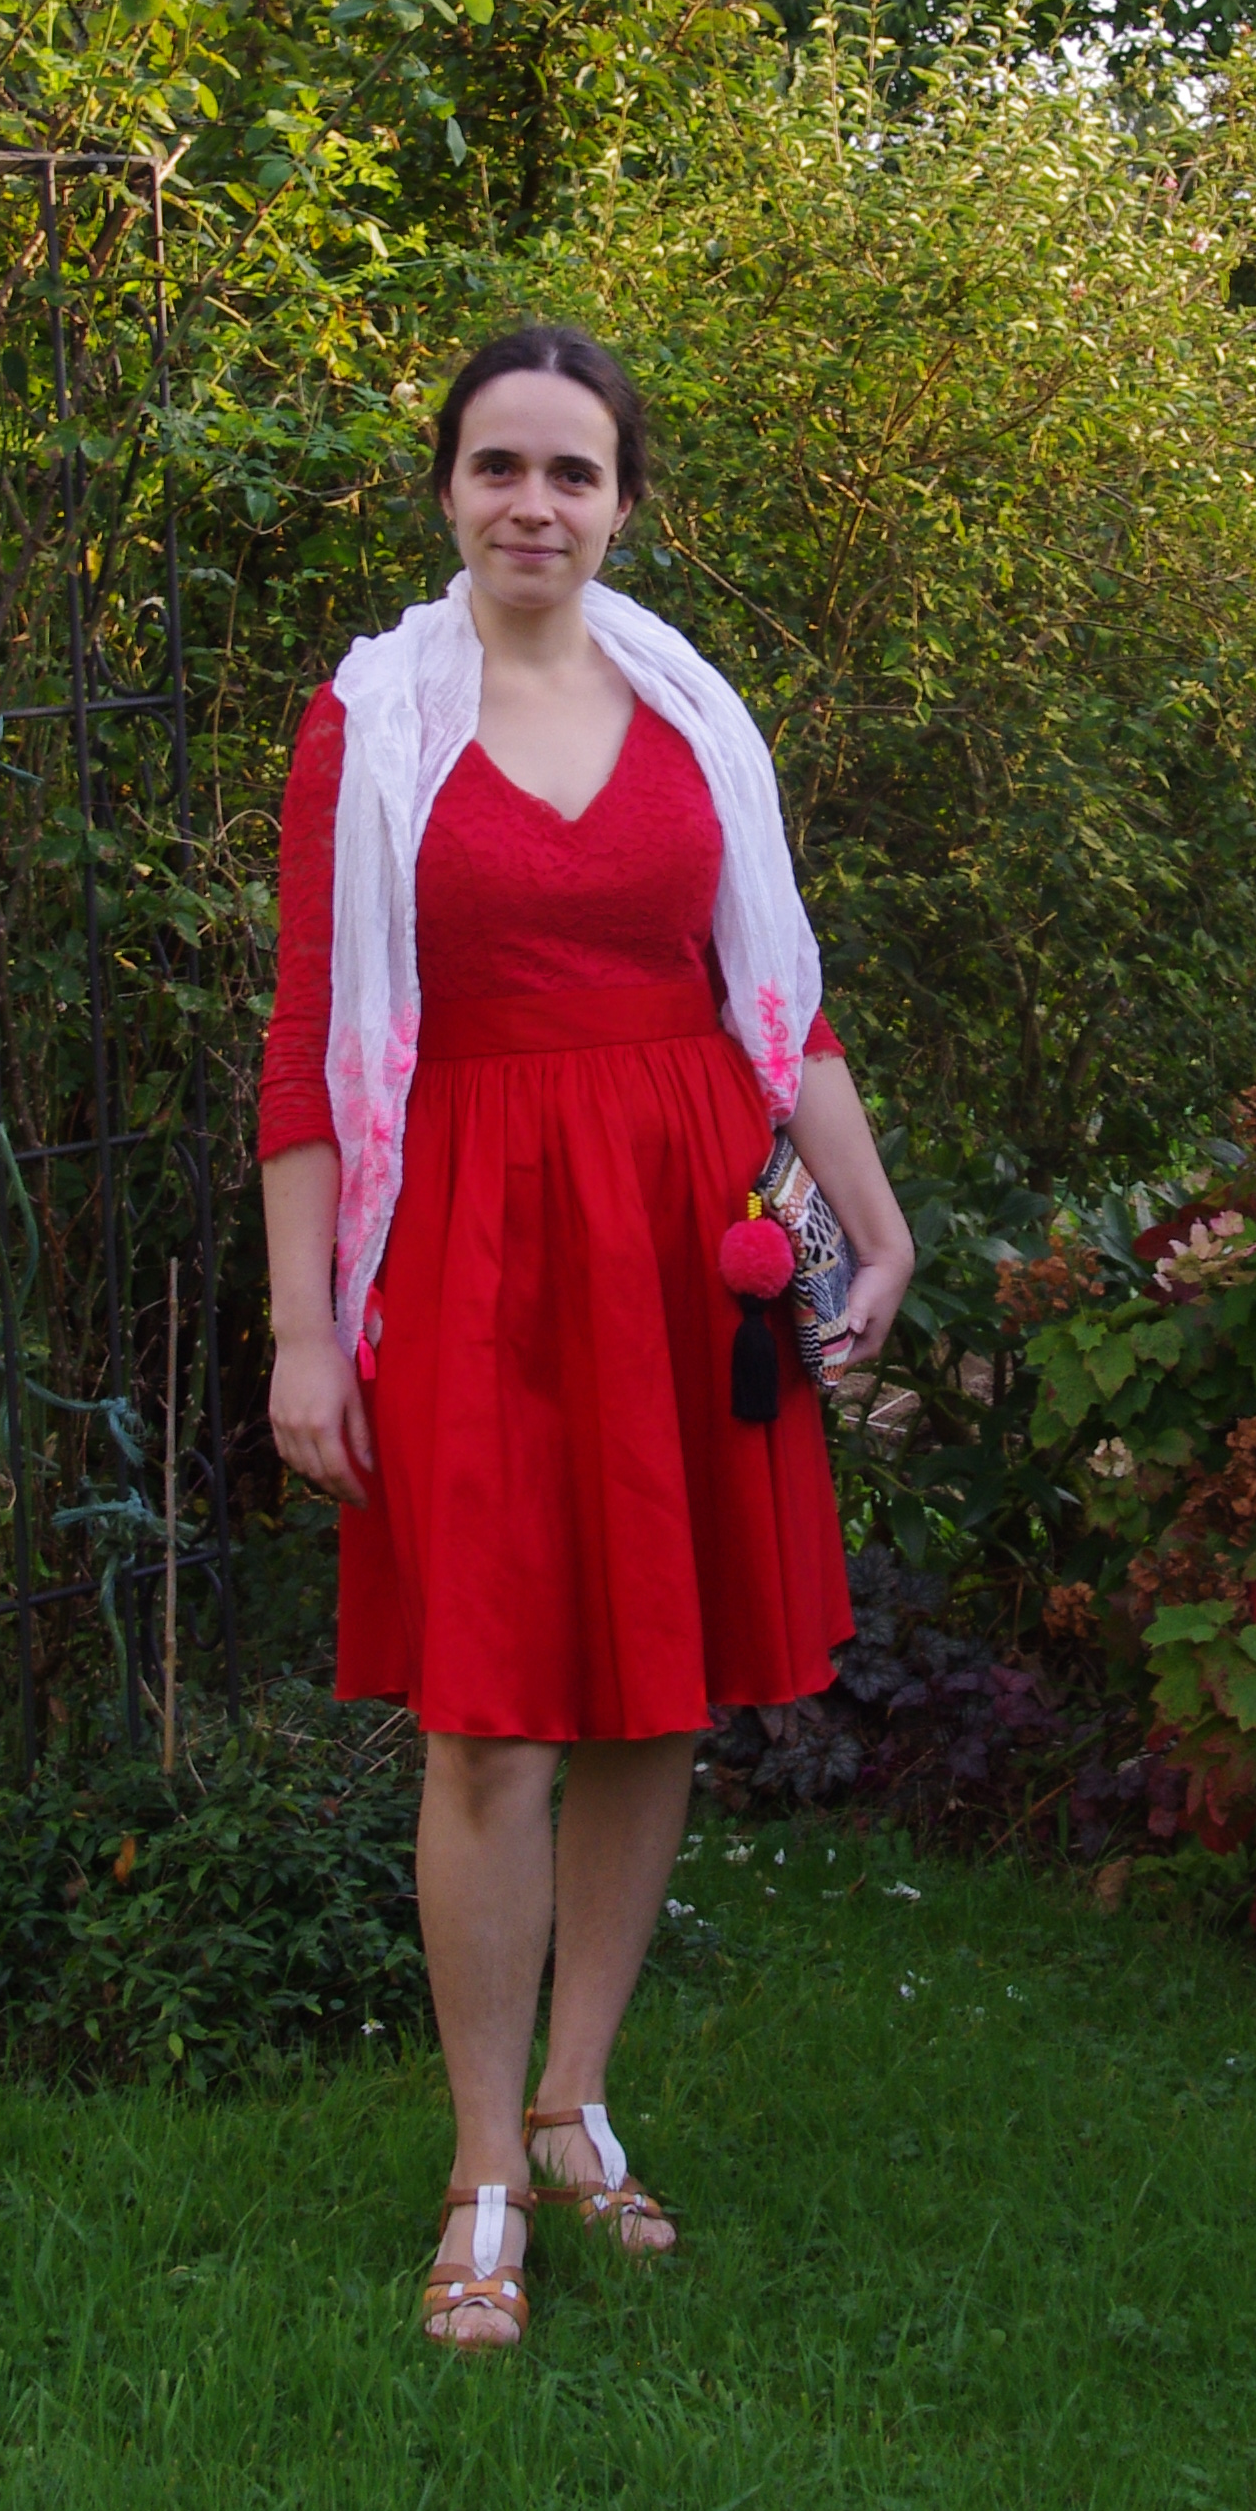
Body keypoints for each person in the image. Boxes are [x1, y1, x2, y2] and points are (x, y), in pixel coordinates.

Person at [257, 326, 914, 2350]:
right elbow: (306, 1044)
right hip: (465, 1245)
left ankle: (575, 2102)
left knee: (652, 1698)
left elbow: (774, 1002)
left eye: (571, 470)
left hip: (678, 1237)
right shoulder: (369, 723)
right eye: (497, 466)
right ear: (446, 491)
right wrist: (301, 1331)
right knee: (492, 1718)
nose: (532, 503)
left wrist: (877, 1224)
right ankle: (479, 2169)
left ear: (624, 501)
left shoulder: (694, 713)